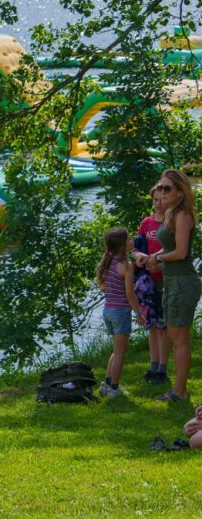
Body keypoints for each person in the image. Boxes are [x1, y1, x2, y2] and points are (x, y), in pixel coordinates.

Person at [143, 169, 200, 402]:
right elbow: (169, 250)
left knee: (179, 338)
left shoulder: (183, 215)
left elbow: (181, 252)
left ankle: (179, 391)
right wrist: (154, 259)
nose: (162, 192)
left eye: (167, 188)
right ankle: (178, 389)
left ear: (179, 192)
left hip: (183, 282)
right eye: (161, 187)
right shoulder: (170, 214)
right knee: (174, 335)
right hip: (172, 280)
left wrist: (157, 259)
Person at [96, 227, 143, 397]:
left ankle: (106, 384)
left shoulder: (109, 263)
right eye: (130, 239)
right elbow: (130, 294)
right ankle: (114, 389)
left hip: (108, 310)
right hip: (121, 312)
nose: (132, 241)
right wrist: (138, 314)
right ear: (122, 245)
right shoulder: (126, 266)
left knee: (117, 350)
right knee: (120, 353)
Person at [135, 184, 169, 384]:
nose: (159, 203)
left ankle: (163, 370)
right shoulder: (146, 223)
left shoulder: (172, 222)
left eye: (162, 199)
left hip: (164, 279)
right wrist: (139, 255)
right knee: (152, 326)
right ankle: (153, 365)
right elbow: (135, 248)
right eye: (155, 200)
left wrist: (160, 263)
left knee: (164, 326)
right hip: (147, 282)